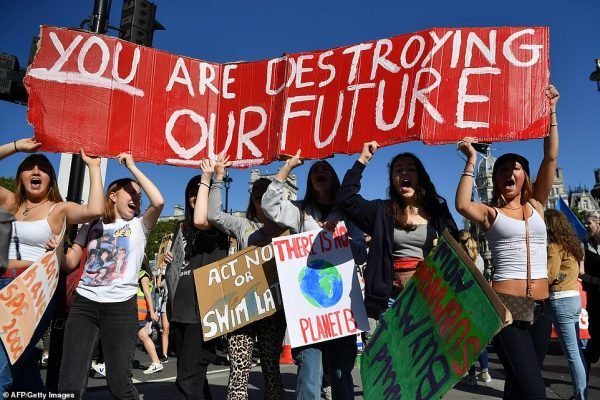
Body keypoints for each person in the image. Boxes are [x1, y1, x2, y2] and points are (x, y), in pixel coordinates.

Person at [455, 84, 559, 399]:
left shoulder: (537, 204)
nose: (508, 172)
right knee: (534, 391)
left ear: (525, 176)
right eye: (501, 170)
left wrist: (552, 111)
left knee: (517, 387)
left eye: (515, 168)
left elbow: (550, 156)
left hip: (542, 308)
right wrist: (471, 159)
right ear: (496, 181)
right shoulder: (491, 214)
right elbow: (462, 204)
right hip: (507, 308)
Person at [0, 137, 104, 392]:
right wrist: (16, 147)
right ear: (21, 176)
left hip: (30, 290)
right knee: (22, 371)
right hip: (2, 285)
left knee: (2, 365)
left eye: (43, 169)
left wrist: (92, 167)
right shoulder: (10, 203)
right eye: (30, 167)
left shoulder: (58, 209)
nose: (36, 171)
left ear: (50, 179)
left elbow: (95, 209)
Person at [57, 153, 164, 399]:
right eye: (131, 192)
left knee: (120, 384)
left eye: (139, 195)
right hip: (84, 304)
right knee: (69, 382)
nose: (137, 198)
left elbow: (158, 202)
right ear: (113, 196)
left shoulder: (140, 225)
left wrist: (132, 167)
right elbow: (70, 262)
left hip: (120, 307)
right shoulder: (91, 224)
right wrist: (56, 248)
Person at [262, 152, 367, 400]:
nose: (320, 171)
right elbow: (269, 206)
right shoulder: (300, 211)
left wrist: (341, 240)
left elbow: (361, 252)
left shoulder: (348, 211)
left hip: (341, 309)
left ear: (334, 178)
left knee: (341, 375)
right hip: (307, 311)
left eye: (326, 169)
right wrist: (288, 167)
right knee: (309, 375)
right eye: (315, 170)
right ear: (310, 181)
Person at [336, 142, 458, 318]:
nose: (404, 173)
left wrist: (442, 247)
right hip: (392, 300)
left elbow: (456, 247)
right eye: (398, 170)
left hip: (431, 297)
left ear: (420, 177)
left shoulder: (438, 212)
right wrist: (363, 159)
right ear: (393, 180)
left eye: (411, 169)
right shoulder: (380, 212)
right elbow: (345, 198)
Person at [204, 156, 287, 400]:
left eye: (265, 189)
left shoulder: (287, 226)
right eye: (255, 191)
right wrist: (218, 178)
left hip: (273, 306)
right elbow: (213, 215)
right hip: (242, 307)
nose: (259, 192)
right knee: (239, 370)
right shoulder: (243, 225)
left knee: (271, 368)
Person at [163, 172, 229, 400]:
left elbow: (202, 219)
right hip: (180, 310)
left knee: (187, 380)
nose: (195, 195)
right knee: (193, 375)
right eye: (191, 192)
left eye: (200, 190)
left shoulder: (217, 225)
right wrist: (170, 261)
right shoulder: (181, 228)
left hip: (202, 312)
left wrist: (209, 178)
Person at [544, 209, 587, 399]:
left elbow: (549, 275)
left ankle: (581, 396)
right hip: (574, 298)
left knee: (572, 354)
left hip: (561, 300)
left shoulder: (554, 247)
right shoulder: (571, 245)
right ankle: (581, 393)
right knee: (576, 351)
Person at [458, 229, 492, 385]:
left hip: (464, 302)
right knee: (479, 338)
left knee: (467, 339)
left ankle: (471, 375)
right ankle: (485, 372)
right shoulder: (479, 258)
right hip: (479, 302)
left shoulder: (460, 258)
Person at [137, 256, 163, 374]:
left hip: (138, 310)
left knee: (143, 336)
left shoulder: (143, 275)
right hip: (138, 310)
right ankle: (156, 362)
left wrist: (152, 312)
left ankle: (156, 362)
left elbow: (148, 294)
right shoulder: (142, 274)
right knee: (142, 335)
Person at [582, 212, 600, 376]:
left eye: (589, 223)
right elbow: (581, 273)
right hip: (594, 299)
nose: (586, 226)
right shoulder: (584, 245)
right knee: (594, 338)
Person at [155, 264, 170, 363]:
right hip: (166, 304)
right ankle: (164, 354)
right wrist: (160, 272)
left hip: (177, 304)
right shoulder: (167, 279)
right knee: (165, 329)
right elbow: (158, 285)